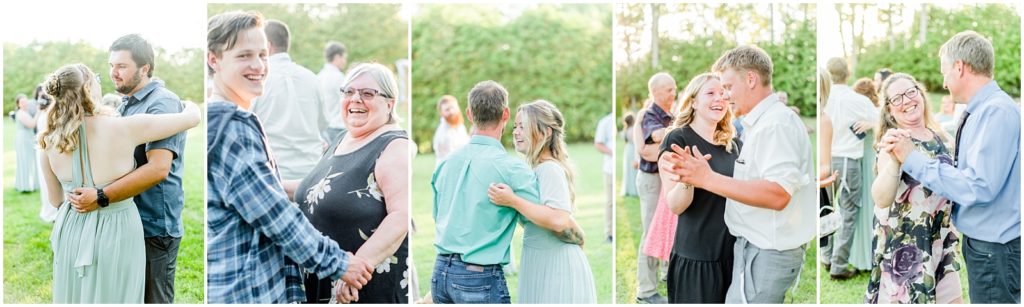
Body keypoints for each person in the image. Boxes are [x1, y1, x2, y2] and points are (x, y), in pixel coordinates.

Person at [205, 11, 374, 303]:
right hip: (247, 288)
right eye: (244, 55)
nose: (258, 65)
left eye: (262, 55)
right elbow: (275, 216)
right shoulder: (232, 126)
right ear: (213, 59)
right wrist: (341, 263)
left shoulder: (226, 119)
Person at [39, 63, 200, 303]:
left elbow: (55, 200)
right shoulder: (124, 127)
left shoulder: (48, 139)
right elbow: (191, 118)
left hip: (71, 229)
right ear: (88, 89)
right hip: (117, 229)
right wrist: (190, 104)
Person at [666, 45, 814, 303]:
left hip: (767, 251)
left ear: (751, 79)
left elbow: (778, 194)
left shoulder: (775, 124)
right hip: (745, 249)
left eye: (728, 87)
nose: (725, 96)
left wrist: (707, 178)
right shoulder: (759, 125)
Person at [882, 31, 1020, 304]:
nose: (944, 83)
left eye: (945, 72)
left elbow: (977, 186)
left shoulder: (995, 112)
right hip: (982, 244)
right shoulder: (982, 110)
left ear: (960, 67)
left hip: (994, 247)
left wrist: (912, 159)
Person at [289, 63, 411, 303]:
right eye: (349, 92)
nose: (356, 99)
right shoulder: (342, 138)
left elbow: (401, 216)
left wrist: (355, 268)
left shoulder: (393, 146)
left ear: (390, 103)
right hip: (325, 279)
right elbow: (316, 190)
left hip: (361, 286)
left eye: (368, 93)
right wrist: (270, 185)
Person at [432, 81, 538, 304]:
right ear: (506, 114)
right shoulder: (512, 168)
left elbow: (438, 215)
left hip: (440, 272)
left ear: (469, 114)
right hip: (478, 277)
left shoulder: (445, 164)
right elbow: (535, 219)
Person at [866, 73, 962, 304]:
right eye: (896, 98)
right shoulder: (893, 141)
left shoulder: (943, 138)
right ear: (889, 110)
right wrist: (897, 160)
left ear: (921, 94)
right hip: (907, 250)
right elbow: (881, 198)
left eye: (911, 92)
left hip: (941, 242)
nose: (907, 101)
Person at [487, 100, 596, 304]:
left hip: (556, 265)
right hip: (539, 258)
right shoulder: (536, 170)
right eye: (515, 126)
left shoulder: (549, 169)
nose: (516, 132)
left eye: (523, 127)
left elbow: (558, 220)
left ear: (545, 133)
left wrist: (513, 200)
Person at [657, 73, 740, 303]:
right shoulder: (678, 139)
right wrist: (690, 179)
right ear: (693, 101)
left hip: (734, 253)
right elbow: (675, 205)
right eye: (711, 93)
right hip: (697, 256)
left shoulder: (733, 143)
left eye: (723, 93)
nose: (719, 99)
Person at [250, 19, 329, 181]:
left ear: (268, 46)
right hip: (311, 172)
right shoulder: (312, 78)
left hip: (273, 174)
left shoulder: (257, 79)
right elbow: (323, 123)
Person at [822, 57, 878, 280]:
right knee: (848, 214)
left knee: (825, 210)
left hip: (825, 162)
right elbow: (881, 122)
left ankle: (827, 258)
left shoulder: (823, 99)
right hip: (847, 162)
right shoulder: (859, 101)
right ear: (848, 74)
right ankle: (838, 266)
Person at [634, 72, 676, 304]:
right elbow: (654, 139)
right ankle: (646, 290)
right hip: (651, 180)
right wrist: (681, 129)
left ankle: (664, 273)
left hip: (666, 178)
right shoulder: (649, 114)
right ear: (656, 91)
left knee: (667, 228)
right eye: (669, 89)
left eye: (674, 88)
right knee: (650, 231)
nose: (674, 93)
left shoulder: (670, 115)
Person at [848, 77, 881, 272]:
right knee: (862, 209)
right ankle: (862, 256)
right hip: (861, 161)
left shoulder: (876, 114)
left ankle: (869, 257)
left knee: (869, 209)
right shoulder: (861, 113)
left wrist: (872, 124)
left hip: (870, 163)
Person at [34, 87, 60, 222]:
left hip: (49, 149)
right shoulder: (43, 114)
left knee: (52, 180)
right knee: (45, 181)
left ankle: (55, 209)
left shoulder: (51, 113)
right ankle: (49, 210)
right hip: (42, 149)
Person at [318, 41, 348, 142]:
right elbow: (347, 100)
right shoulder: (339, 78)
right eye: (343, 57)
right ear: (337, 57)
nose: (344, 61)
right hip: (339, 128)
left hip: (324, 129)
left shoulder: (319, 76)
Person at [594, 112, 615, 243]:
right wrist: (612, 152)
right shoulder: (605, 122)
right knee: (610, 202)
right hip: (609, 168)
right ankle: (609, 233)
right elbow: (598, 144)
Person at [431, 95, 469, 164]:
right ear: (441, 113)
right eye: (447, 110)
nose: (451, 112)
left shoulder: (460, 126)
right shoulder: (442, 134)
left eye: (453, 107)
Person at [15, 94, 39, 192]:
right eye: (22, 102)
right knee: (25, 161)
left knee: (30, 161)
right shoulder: (21, 113)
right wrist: (39, 111)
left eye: (26, 102)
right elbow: (31, 124)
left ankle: (30, 184)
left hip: (28, 138)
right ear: (18, 104)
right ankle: (25, 186)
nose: (25, 104)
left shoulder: (26, 112)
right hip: (24, 139)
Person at [621, 113, 638, 197]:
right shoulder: (633, 130)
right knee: (633, 171)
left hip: (627, 150)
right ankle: (634, 190)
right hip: (632, 149)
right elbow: (635, 143)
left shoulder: (626, 130)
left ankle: (628, 189)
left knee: (628, 170)